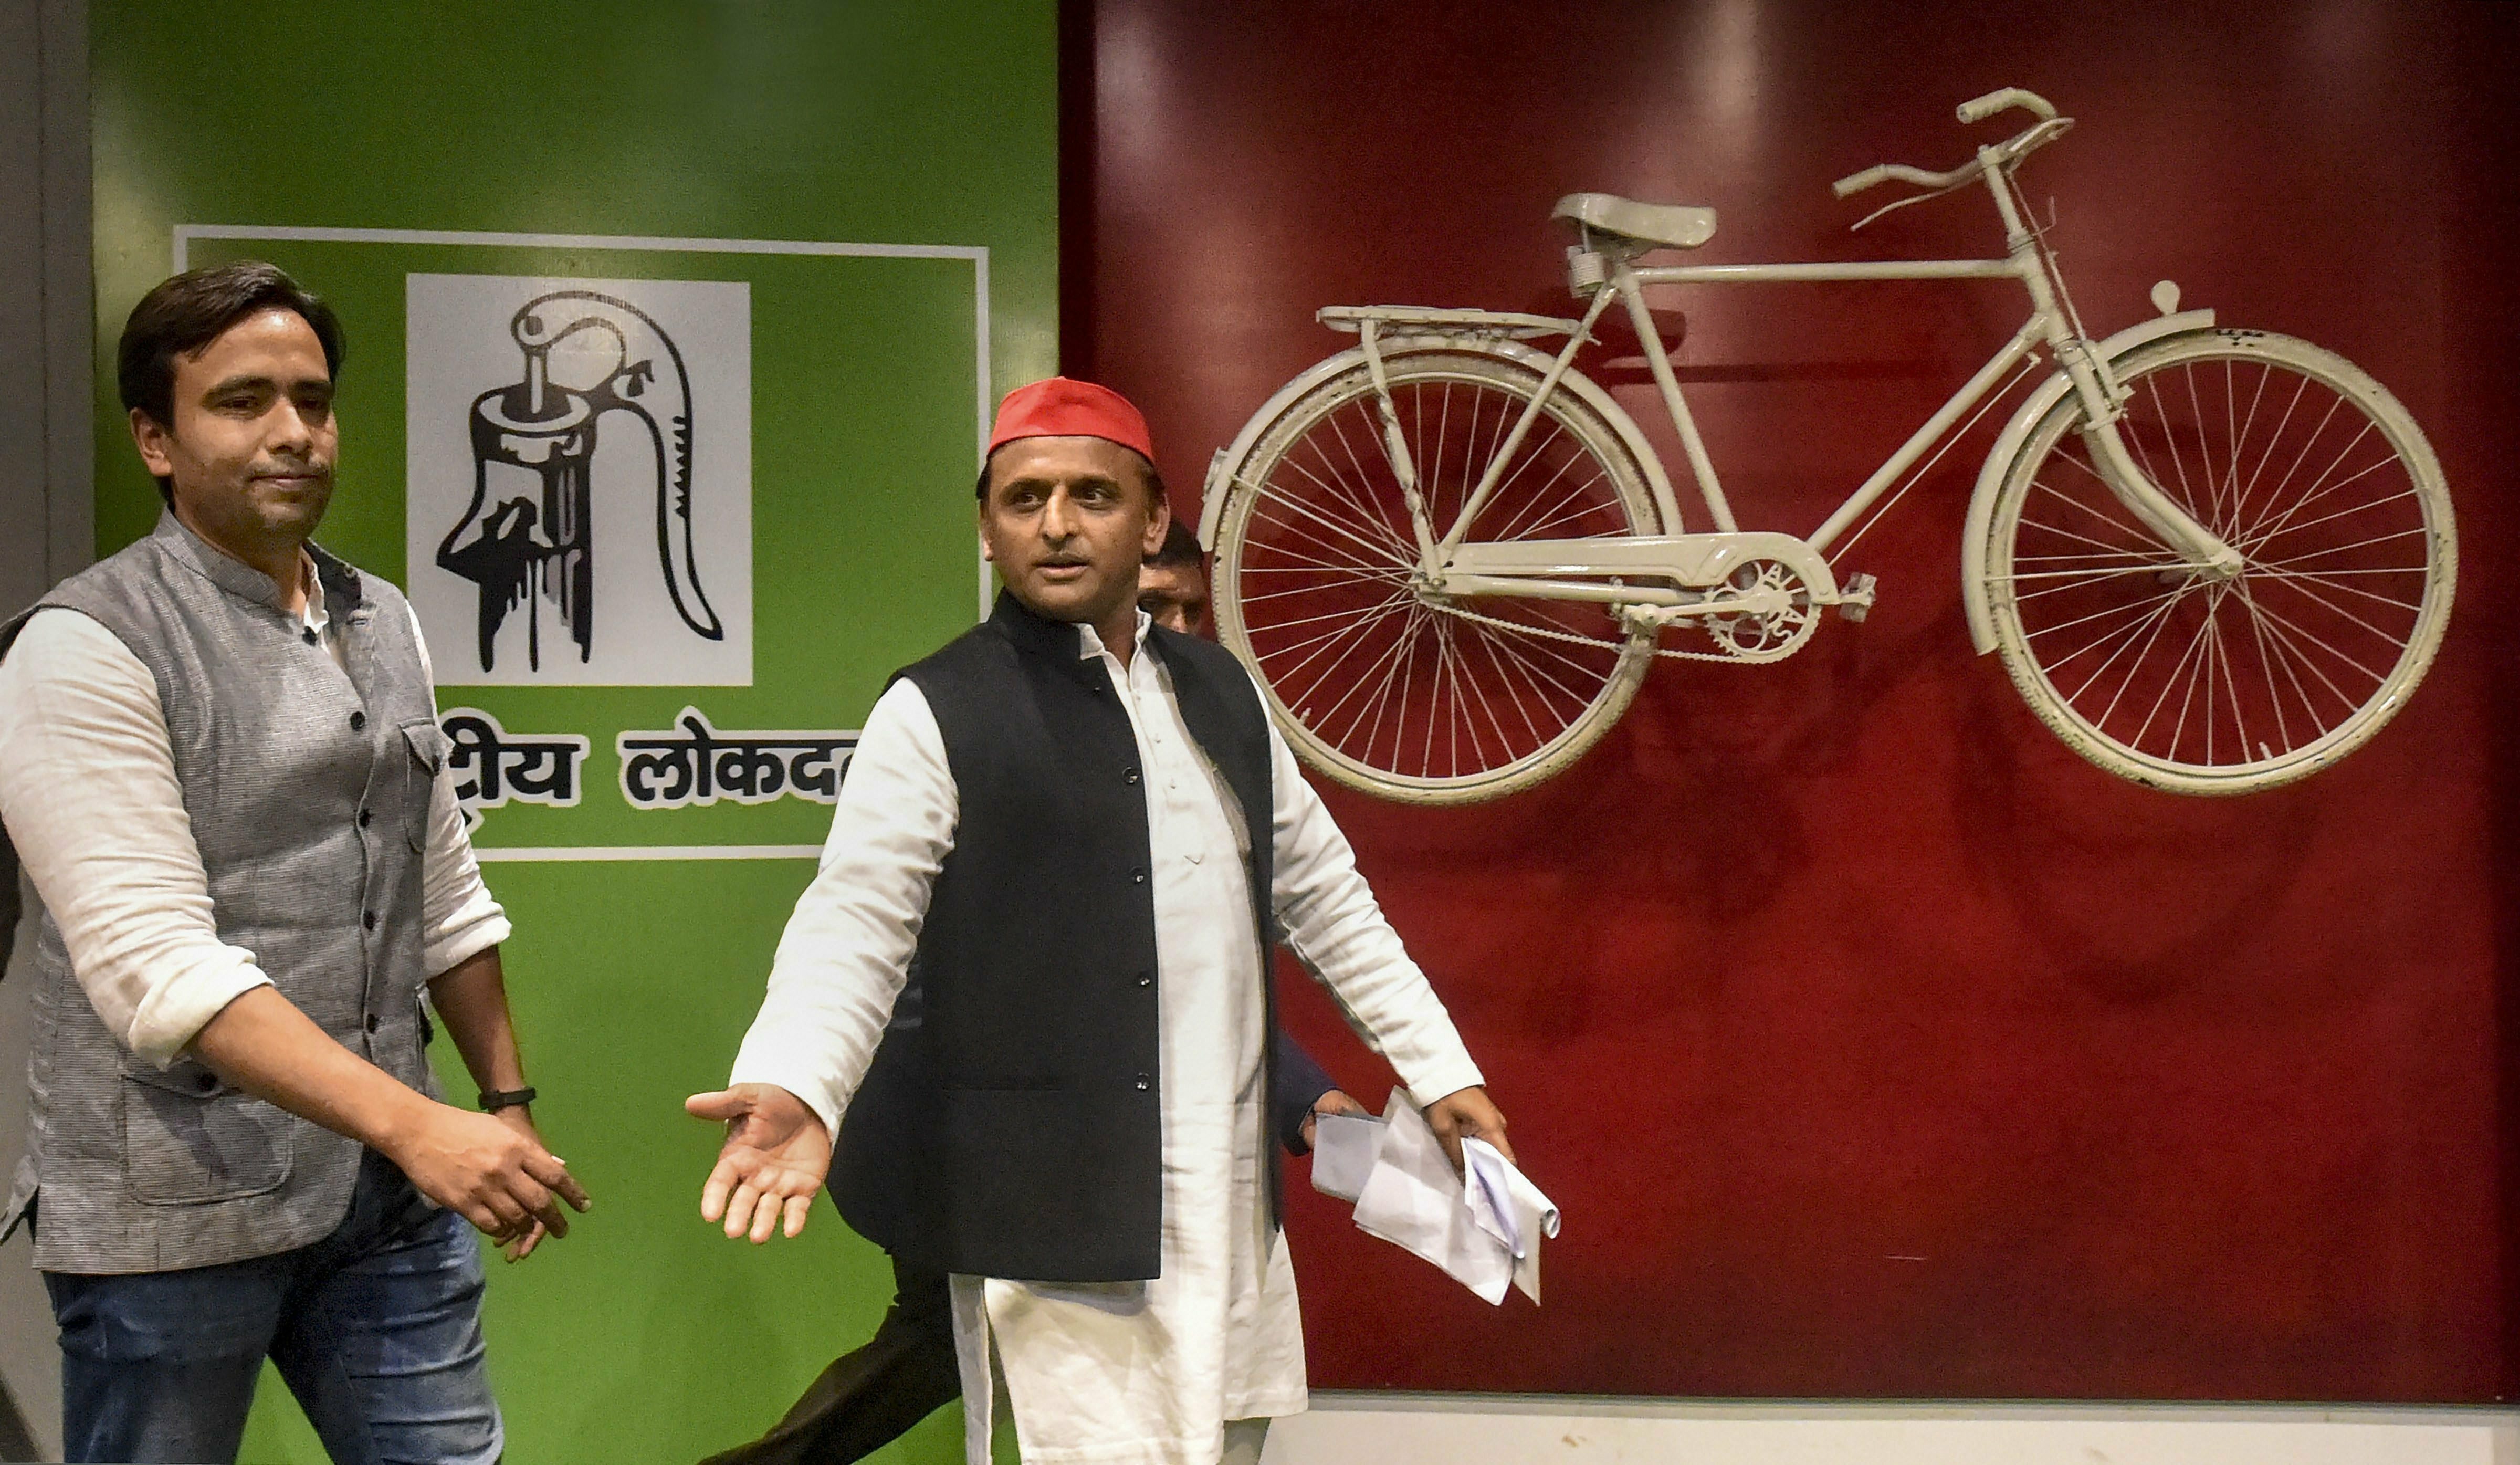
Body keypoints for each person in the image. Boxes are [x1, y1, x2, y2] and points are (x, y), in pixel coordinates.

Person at [689, 376, 1511, 1465]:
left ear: (1152, 517)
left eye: (1092, 494)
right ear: (987, 528)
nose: (1059, 525)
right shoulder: (936, 709)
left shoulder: (1222, 693)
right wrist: (798, 1079)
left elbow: (1328, 899)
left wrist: (1441, 1070)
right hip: (1060, 1211)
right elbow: (855, 922)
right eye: (1025, 499)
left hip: (1229, 1205)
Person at [0, 261, 590, 1465]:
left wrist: (503, 1101)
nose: (293, 434)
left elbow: (441, 891)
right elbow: (159, 971)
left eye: (313, 403)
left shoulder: (386, 617)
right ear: (155, 440)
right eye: (243, 402)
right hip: (171, 1208)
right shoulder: (80, 647)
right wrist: (419, 1129)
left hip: (383, 1213)